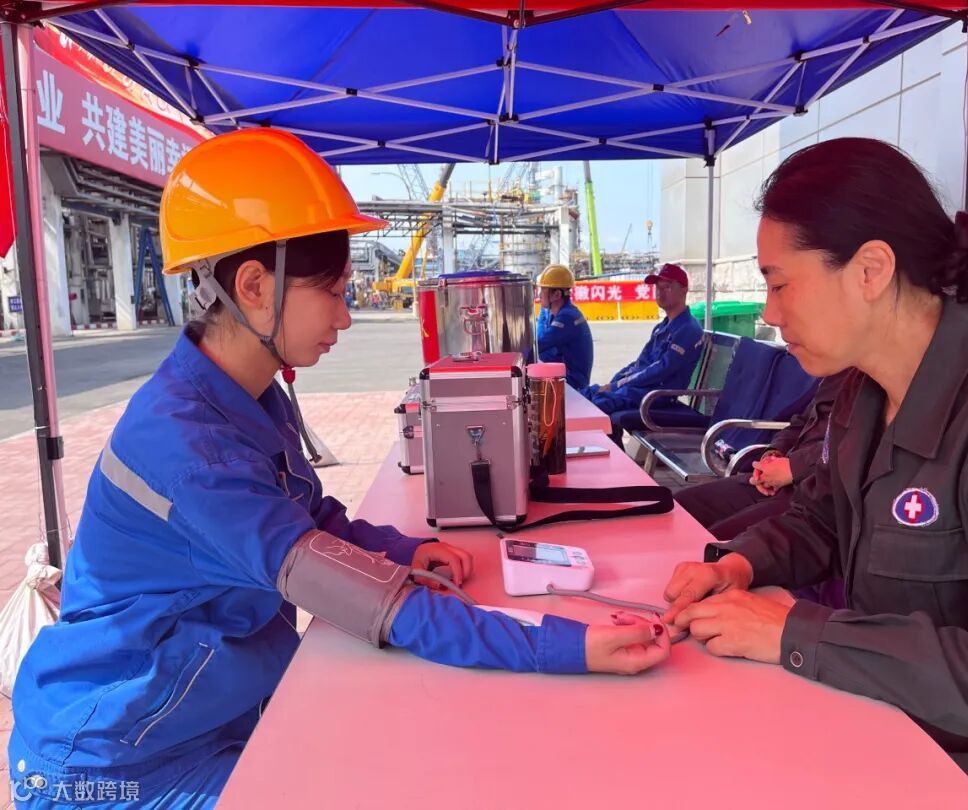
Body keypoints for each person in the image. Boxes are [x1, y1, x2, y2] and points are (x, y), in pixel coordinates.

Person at [8, 129, 669, 809]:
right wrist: (566, 646)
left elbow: (308, 518)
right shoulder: (191, 452)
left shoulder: (246, 396)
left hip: (202, 719)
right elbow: (375, 605)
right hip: (117, 763)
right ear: (254, 287)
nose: (346, 317)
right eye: (332, 291)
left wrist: (402, 551)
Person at [660, 137, 968, 809]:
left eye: (779, 283)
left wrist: (795, 633)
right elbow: (825, 518)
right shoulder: (864, 390)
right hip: (877, 725)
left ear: (871, 270)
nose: (769, 313)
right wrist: (739, 565)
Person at [675, 369, 845, 540]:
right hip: (783, 480)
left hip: (819, 497)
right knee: (678, 508)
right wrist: (773, 454)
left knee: (710, 540)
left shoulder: (861, 387)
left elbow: (851, 445)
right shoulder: (838, 375)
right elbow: (800, 423)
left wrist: (793, 467)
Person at [584, 263, 704, 443]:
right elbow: (641, 362)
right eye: (657, 288)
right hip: (640, 389)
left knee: (598, 405)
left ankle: (613, 457)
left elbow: (661, 370)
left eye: (667, 287)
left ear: (684, 290)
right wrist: (616, 381)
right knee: (588, 393)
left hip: (656, 395)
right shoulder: (663, 327)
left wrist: (617, 385)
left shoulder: (687, 329)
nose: (660, 293)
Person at [536, 263, 593, 391]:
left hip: (573, 382)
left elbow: (539, 344)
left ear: (557, 295)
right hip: (567, 374)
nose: (539, 295)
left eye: (543, 290)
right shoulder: (558, 312)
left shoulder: (567, 318)